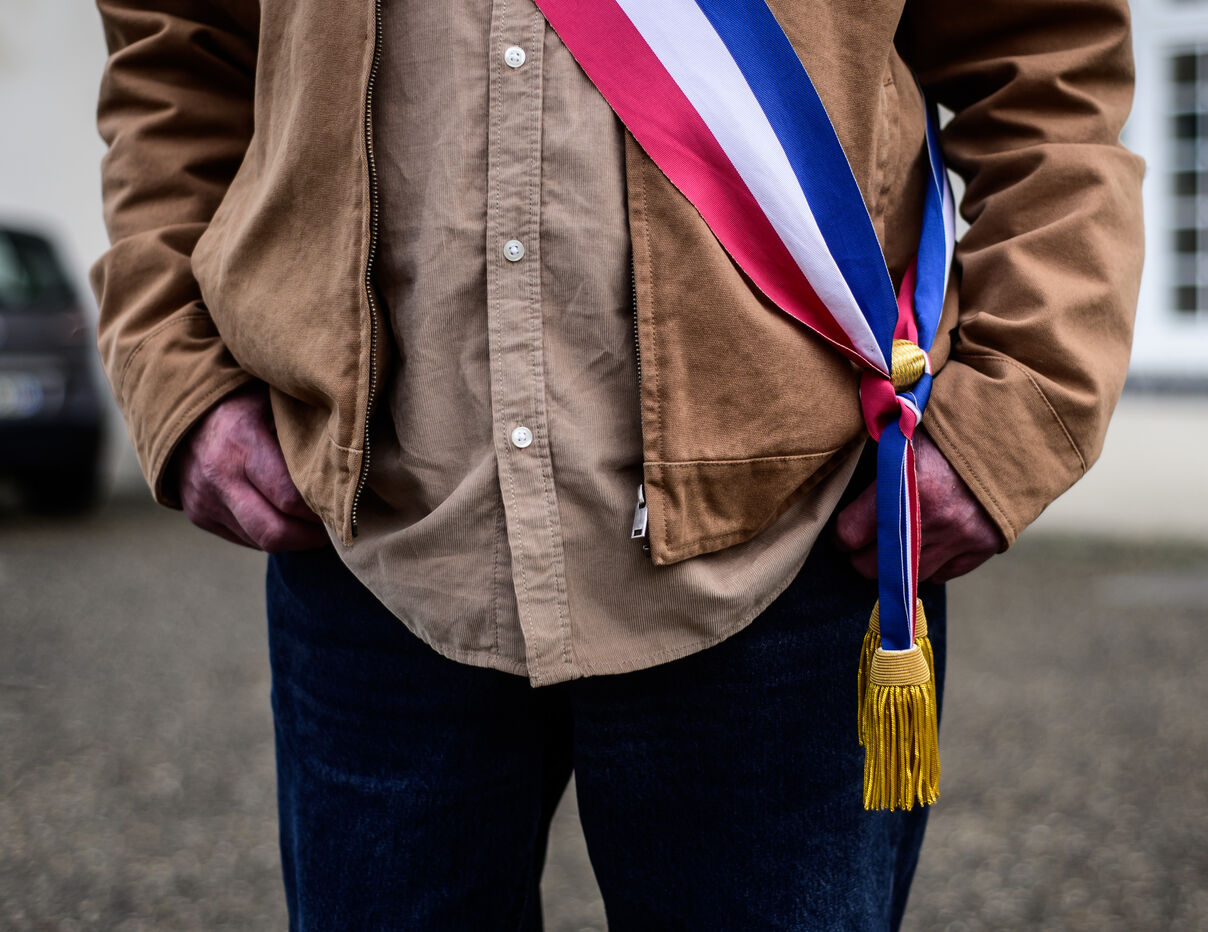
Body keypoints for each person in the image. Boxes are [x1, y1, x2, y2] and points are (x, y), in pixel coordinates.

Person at [92, 0, 1144, 927]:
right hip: (375, 534)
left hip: (793, 540)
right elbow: (173, 64)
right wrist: (176, 365)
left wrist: (1022, 401)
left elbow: (1045, 71)